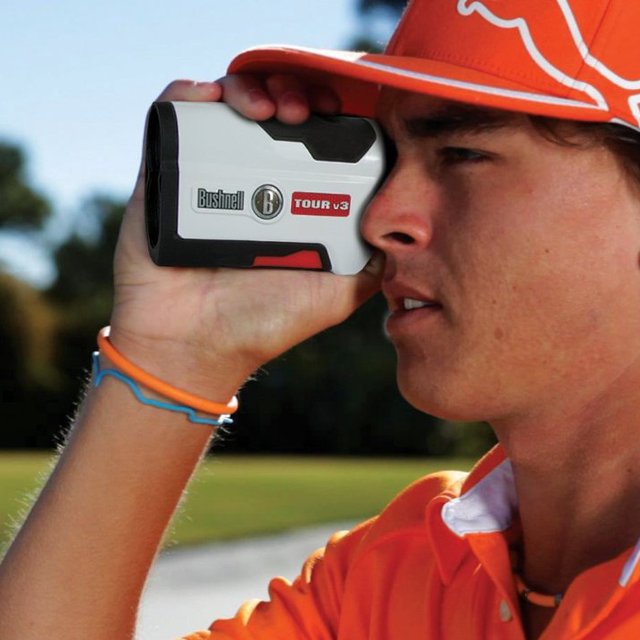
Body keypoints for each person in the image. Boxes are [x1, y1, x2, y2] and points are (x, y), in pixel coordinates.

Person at [2, 0, 640, 638]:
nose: (377, 216)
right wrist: (176, 355)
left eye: (461, 153)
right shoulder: (389, 573)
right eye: (386, 159)